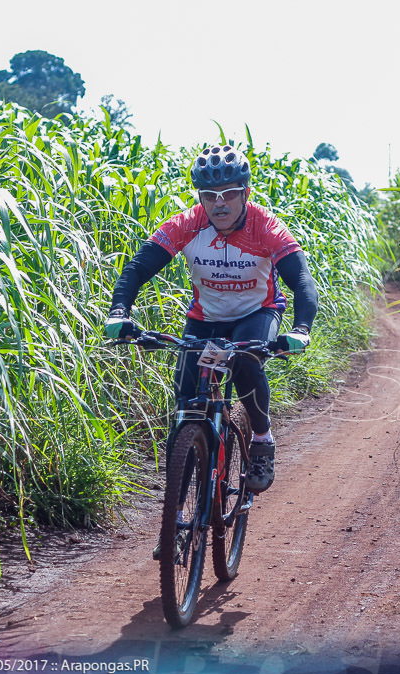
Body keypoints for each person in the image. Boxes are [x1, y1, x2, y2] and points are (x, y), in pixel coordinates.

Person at [104, 144, 318, 502]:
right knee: (187, 406)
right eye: (210, 195)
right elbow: (137, 270)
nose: (220, 203)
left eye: (230, 194)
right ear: (200, 197)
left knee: (246, 365)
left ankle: (262, 440)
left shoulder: (265, 227)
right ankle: (173, 518)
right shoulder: (187, 225)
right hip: (207, 322)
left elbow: (302, 281)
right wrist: (119, 312)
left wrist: (300, 329)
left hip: (256, 315)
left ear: (245, 193)